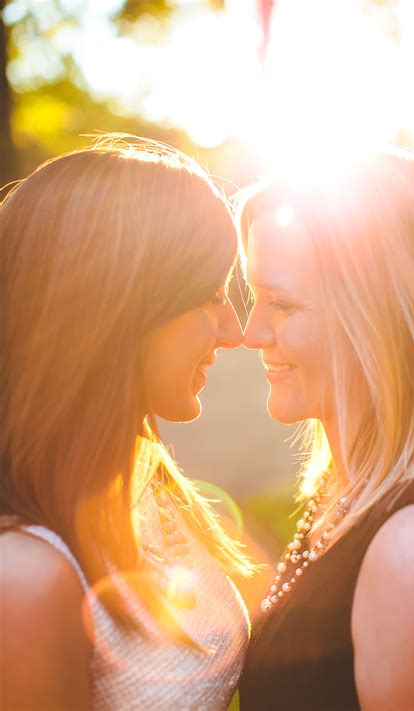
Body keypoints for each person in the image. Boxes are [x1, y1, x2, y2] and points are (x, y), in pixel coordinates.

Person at [0, 134, 255, 710]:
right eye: (213, 295)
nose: (235, 331)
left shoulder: (144, 478)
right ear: (123, 309)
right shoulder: (24, 578)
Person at [236, 147, 414, 710]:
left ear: (382, 317)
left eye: (283, 305)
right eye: (253, 297)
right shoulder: (356, 489)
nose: (250, 333)